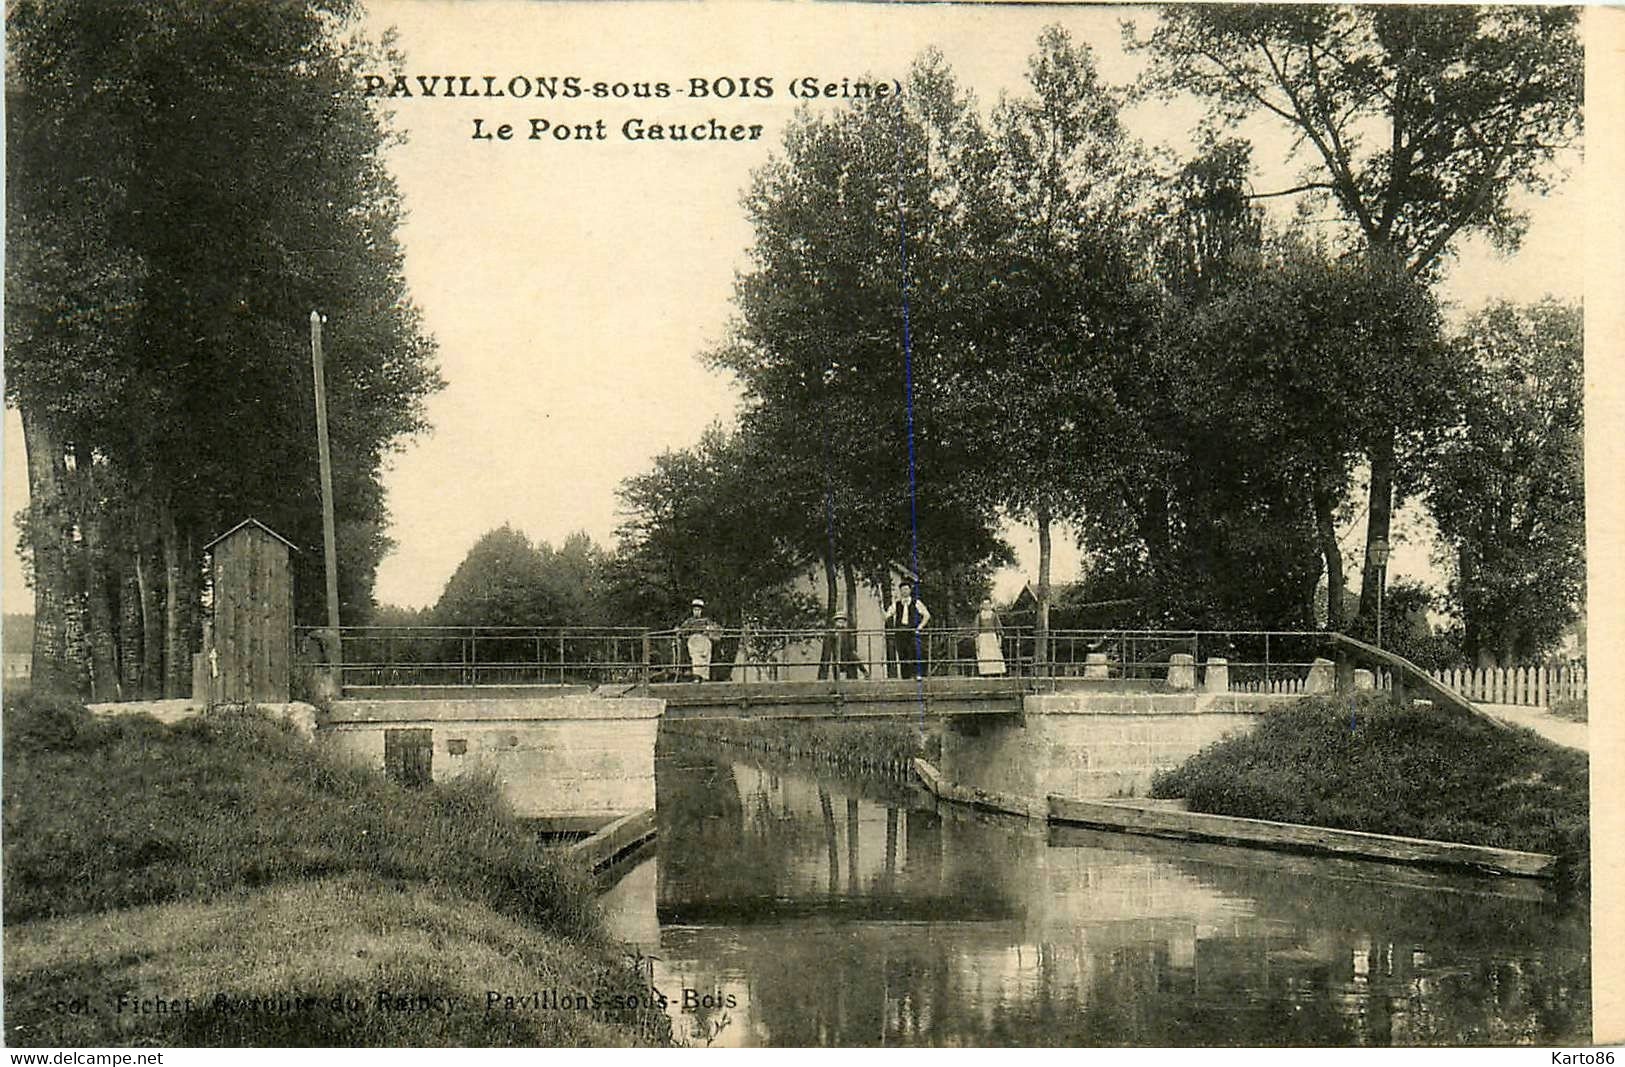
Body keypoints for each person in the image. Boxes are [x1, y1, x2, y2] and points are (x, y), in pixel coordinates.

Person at [886, 581, 931, 679]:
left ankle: (917, 674)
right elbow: (887, 615)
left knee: (914, 651)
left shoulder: (916, 602)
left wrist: (919, 627)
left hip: (912, 631)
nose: (904, 591)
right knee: (902, 654)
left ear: (910, 590)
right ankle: (905, 677)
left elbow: (927, 615)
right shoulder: (896, 604)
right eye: (902, 590)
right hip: (900, 632)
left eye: (906, 589)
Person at [676, 598, 722, 682]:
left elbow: (716, 629)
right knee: (696, 658)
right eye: (695, 610)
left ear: (701, 611)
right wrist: (680, 631)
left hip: (704, 641)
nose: (696, 612)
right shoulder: (689, 621)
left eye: (698, 610)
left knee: (705, 658)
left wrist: (709, 629)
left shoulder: (706, 621)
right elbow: (682, 630)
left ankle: (704, 678)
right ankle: (696, 677)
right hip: (694, 642)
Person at [819, 612, 869, 681]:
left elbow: (851, 646)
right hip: (837, 655)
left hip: (847, 654)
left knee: (853, 661)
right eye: (839, 621)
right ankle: (836, 684)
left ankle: (864, 673)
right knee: (836, 668)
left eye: (842, 621)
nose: (840, 623)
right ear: (836, 622)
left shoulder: (847, 632)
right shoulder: (833, 633)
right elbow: (829, 647)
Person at [975, 597, 1006, 677]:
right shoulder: (979, 616)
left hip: (992, 638)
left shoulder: (994, 615)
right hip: (983, 638)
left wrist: (999, 640)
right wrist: (977, 641)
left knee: (994, 655)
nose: (986, 606)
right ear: (982, 605)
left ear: (990, 605)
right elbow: (976, 630)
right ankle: (985, 674)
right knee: (984, 656)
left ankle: (995, 674)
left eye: (988, 604)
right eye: (984, 604)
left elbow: (999, 629)